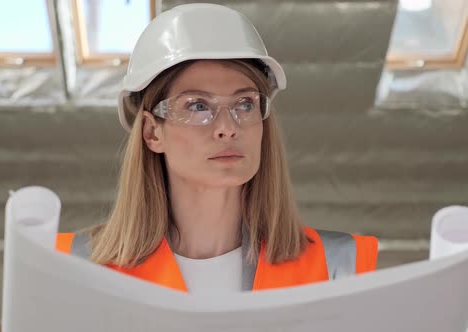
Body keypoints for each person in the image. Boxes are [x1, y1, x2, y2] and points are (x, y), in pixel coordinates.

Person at [56, 3, 378, 293]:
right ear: (152, 132)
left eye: (245, 104)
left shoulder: (338, 265)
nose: (227, 127)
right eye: (197, 106)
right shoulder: (71, 267)